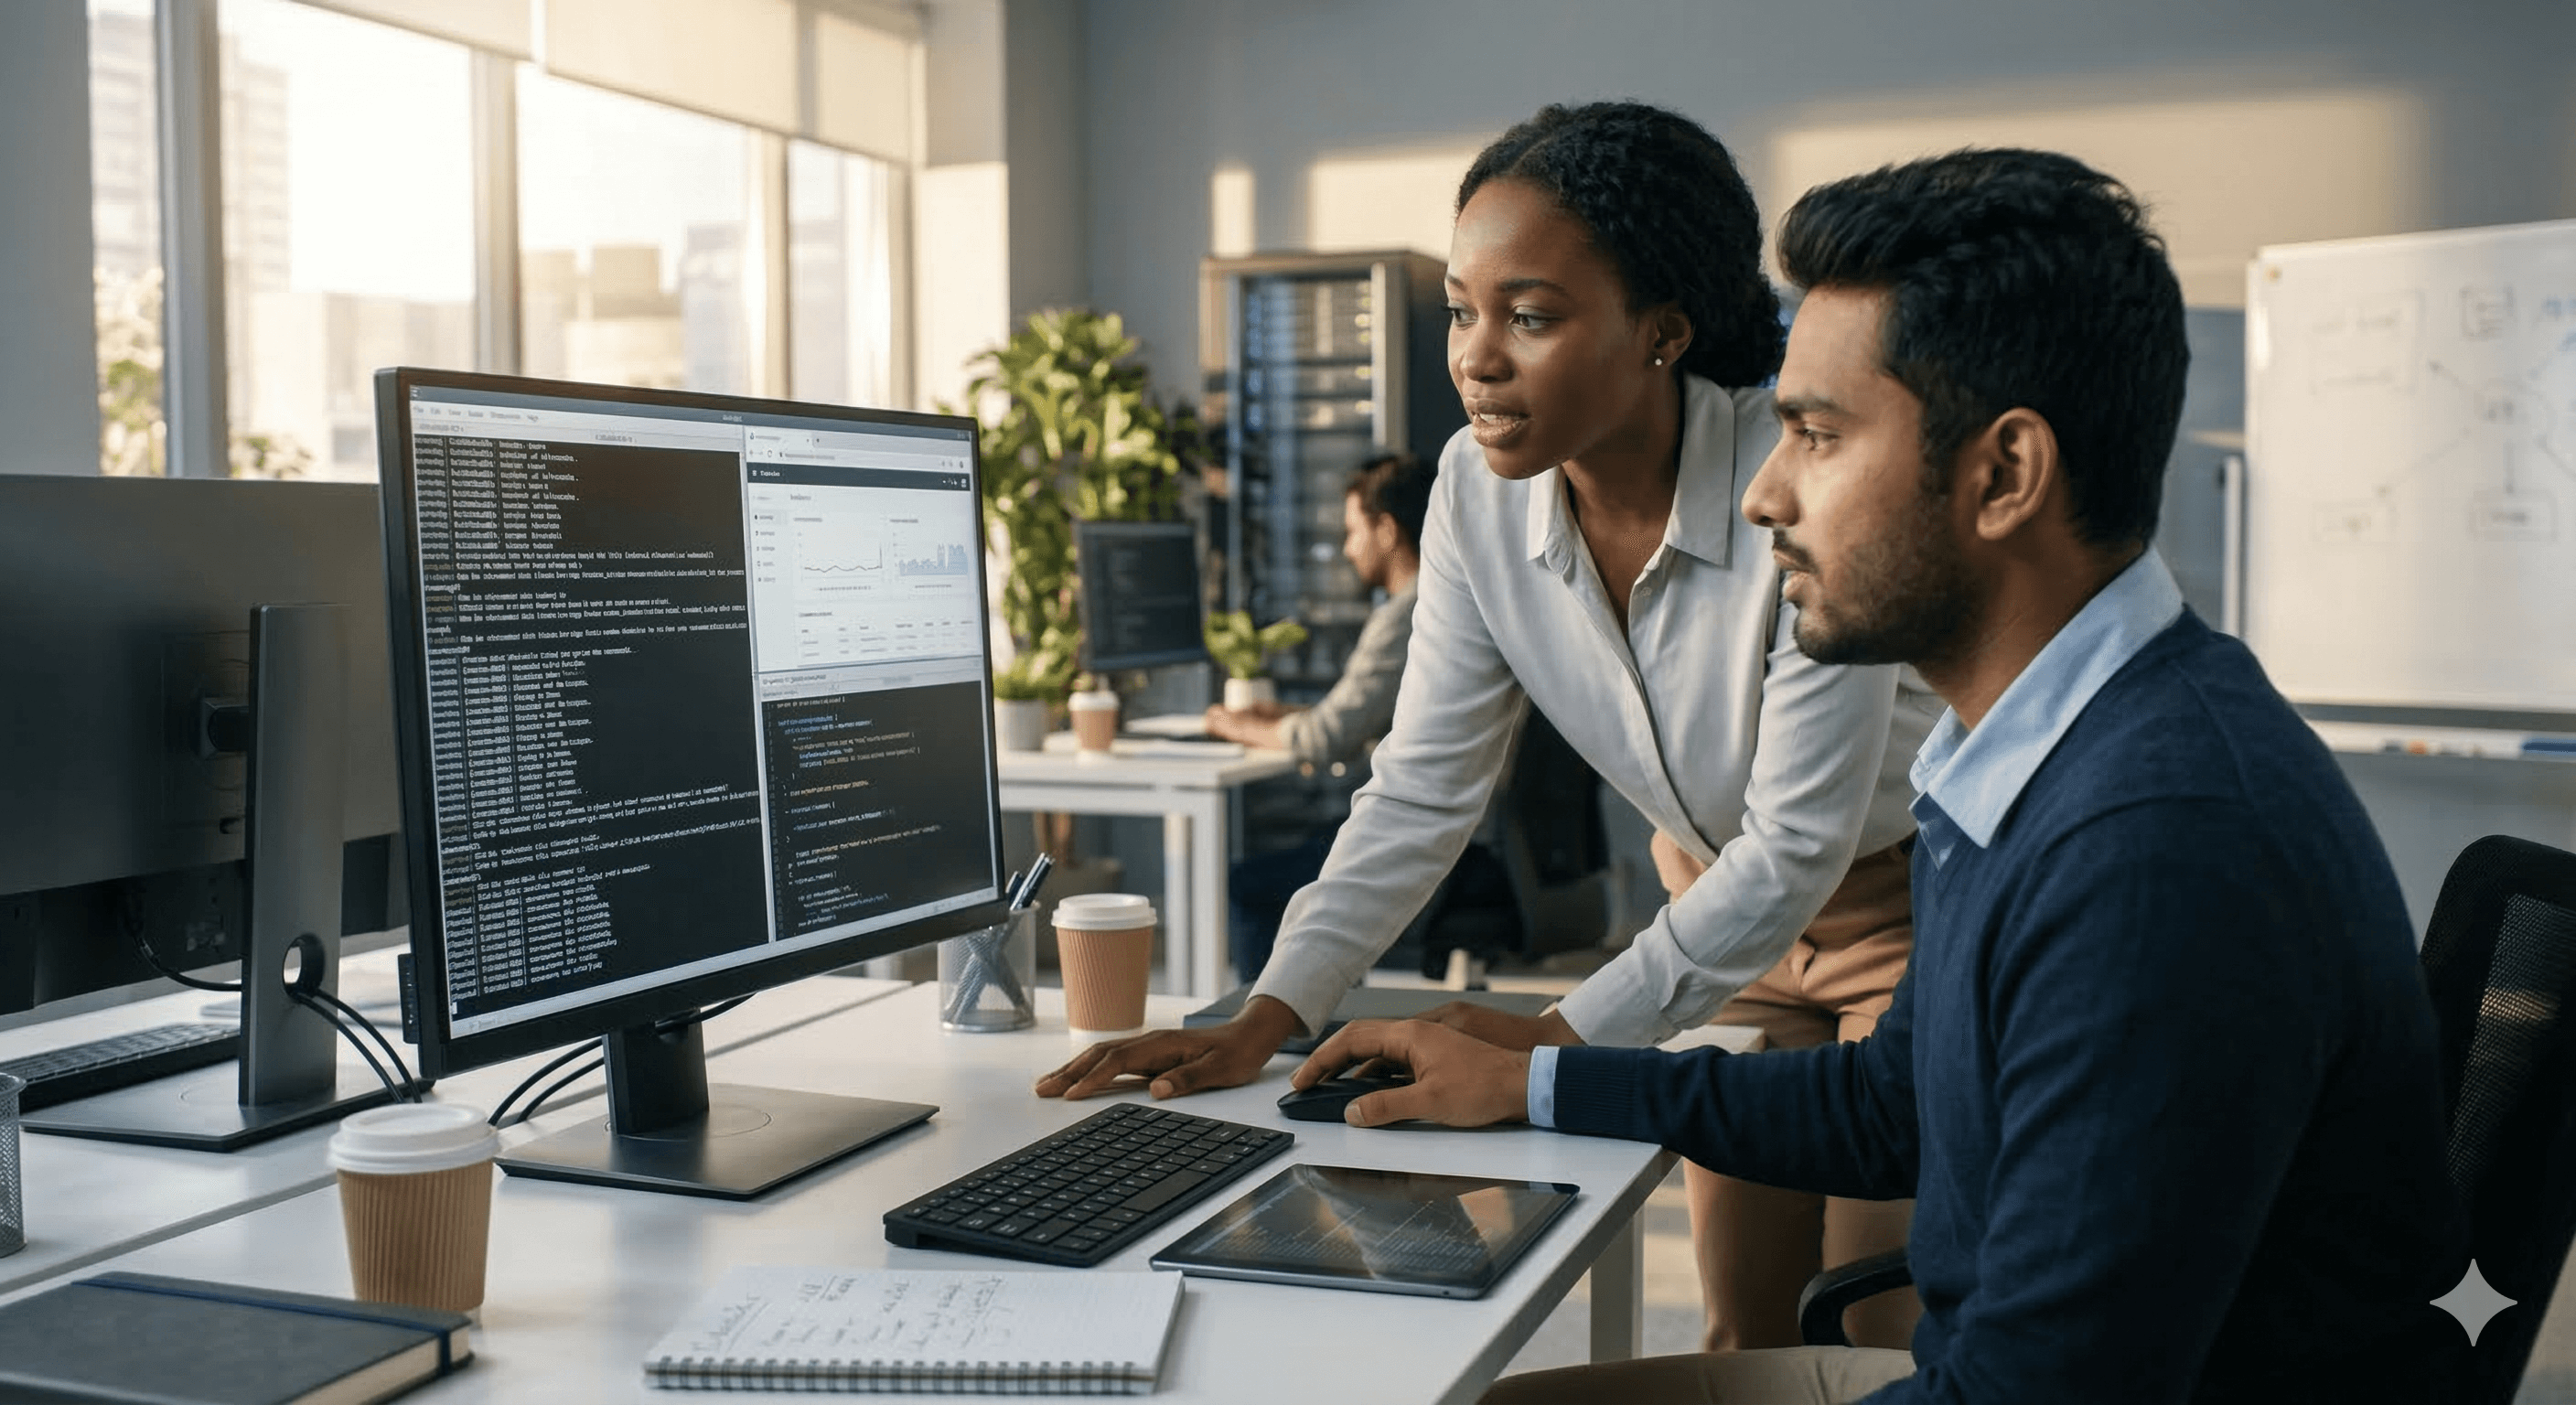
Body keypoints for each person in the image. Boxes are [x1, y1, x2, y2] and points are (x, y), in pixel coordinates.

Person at [1290, 148, 2470, 1404]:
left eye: (1817, 435)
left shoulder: (2156, 848)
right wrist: (1534, 1078)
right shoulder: (2027, 749)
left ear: (2004, 475)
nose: (1763, 494)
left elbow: (2037, 1392)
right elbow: (1888, 1103)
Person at [1038, 102, 1942, 1351]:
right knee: (1747, 1336)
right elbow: (1420, 790)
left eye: (1532, 315)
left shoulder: (1791, 488)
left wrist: (1552, 1043)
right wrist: (1273, 1008)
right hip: (1713, 928)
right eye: (1465, 311)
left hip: (1895, 926)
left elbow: (1794, 846)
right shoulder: (1472, 491)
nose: (1477, 357)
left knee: (1871, 1332)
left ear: (1662, 331)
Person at [1208, 452, 1439, 981]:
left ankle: (1270, 1027)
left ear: (1386, 530)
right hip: (1460, 836)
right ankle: (1322, 1011)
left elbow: (1328, 737)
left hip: (1416, 844)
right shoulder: (1439, 601)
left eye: (1354, 530)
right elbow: (1370, 716)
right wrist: (1283, 714)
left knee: (1249, 884)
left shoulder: (1409, 612)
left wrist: (1233, 724)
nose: (1346, 547)